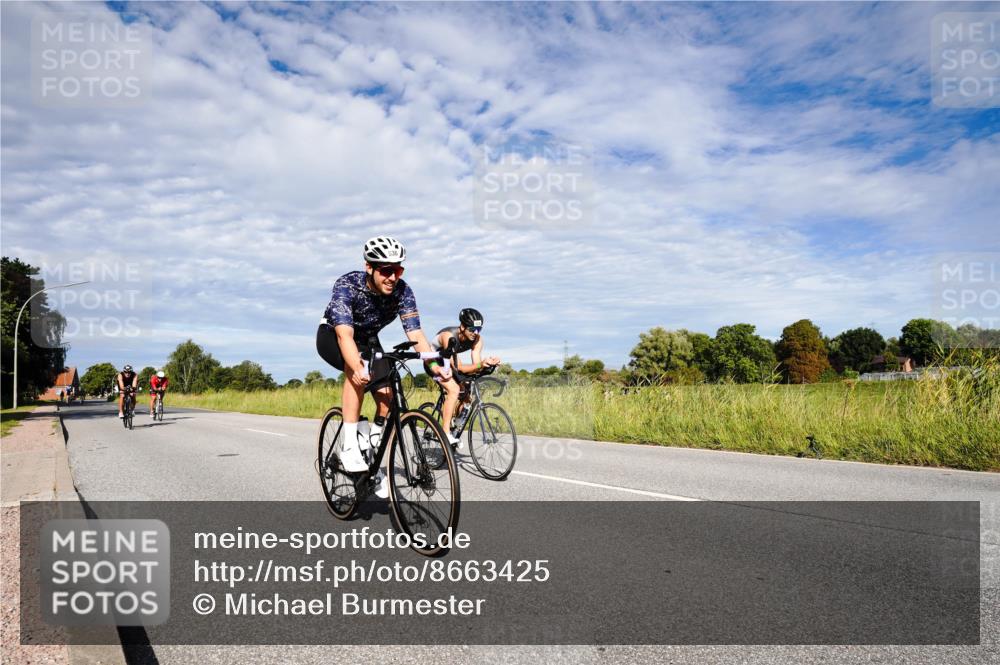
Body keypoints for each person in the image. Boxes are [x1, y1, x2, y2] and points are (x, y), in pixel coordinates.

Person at [316, 236, 448, 497]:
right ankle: (350, 446)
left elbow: (417, 336)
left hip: (368, 338)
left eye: (398, 270)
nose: (392, 277)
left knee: (387, 393)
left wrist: (436, 367)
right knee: (357, 372)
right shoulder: (348, 285)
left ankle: (371, 450)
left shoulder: (403, 291)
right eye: (386, 270)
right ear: (369, 268)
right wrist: (357, 366)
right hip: (334, 334)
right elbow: (345, 337)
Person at [424, 308, 501, 447]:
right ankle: (445, 433)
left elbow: (475, 364)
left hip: (450, 362)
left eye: (479, 329)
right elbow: (458, 367)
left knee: (467, 396)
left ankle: (455, 424)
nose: (475, 333)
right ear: (462, 327)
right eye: (472, 329)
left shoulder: (477, 339)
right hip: (433, 362)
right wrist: (480, 365)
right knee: (453, 390)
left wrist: (487, 365)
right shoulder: (449, 337)